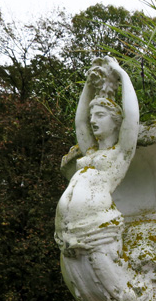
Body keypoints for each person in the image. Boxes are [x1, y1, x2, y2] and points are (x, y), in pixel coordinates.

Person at [55, 57, 139, 252]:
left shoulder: (121, 152)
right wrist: (88, 84)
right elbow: (80, 122)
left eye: (100, 115)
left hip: (97, 228)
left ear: (117, 121)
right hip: (69, 230)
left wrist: (121, 74)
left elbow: (132, 116)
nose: (93, 120)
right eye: (92, 115)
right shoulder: (91, 151)